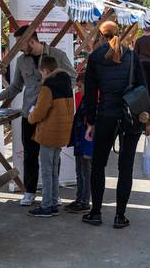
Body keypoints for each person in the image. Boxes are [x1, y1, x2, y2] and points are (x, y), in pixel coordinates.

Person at [0, 25, 76, 206]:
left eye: (21, 43)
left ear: (31, 40)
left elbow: (72, 78)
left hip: (51, 114)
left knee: (52, 156)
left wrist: (57, 93)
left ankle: (52, 193)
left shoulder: (57, 55)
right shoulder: (21, 61)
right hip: (29, 114)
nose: (19, 48)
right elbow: (15, 86)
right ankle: (29, 191)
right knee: (30, 154)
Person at [83, 20, 150, 229]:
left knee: (98, 165)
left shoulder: (95, 58)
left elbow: (90, 94)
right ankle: (120, 216)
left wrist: (91, 121)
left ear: (101, 35)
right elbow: (143, 88)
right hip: (131, 116)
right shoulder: (131, 57)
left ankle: (95, 212)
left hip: (106, 115)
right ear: (119, 34)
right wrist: (148, 117)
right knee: (125, 167)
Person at [26, 56, 75, 217]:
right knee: (54, 169)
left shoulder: (48, 86)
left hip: (48, 133)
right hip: (62, 132)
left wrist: (30, 117)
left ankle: (47, 205)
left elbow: (40, 111)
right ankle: (53, 201)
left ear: (45, 70)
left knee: (47, 170)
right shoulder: (66, 81)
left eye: (42, 73)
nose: (41, 76)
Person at [65, 73, 93, 214]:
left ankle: (84, 200)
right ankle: (80, 198)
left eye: (80, 85)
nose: (78, 88)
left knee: (85, 172)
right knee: (79, 171)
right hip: (79, 142)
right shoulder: (85, 100)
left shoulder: (91, 103)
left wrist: (89, 150)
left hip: (85, 143)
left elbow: (91, 129)